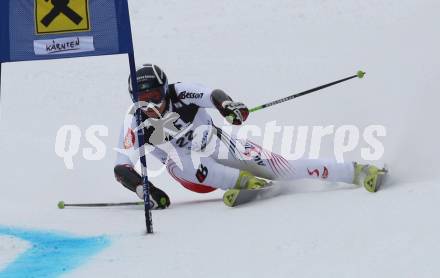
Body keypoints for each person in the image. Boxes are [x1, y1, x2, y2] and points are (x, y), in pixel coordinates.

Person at [114, 64, 387, 209]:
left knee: (281, 167)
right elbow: (121, 167)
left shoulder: (181, 92)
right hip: (190, 174)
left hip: (218, 144)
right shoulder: (133, 121)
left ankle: (357, 171)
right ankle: (243, 182)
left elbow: (212, 95)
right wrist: (144, 189)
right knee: (185, 159)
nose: (149, 106)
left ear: (165, 90)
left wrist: (229, 108)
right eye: (142, 100)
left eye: (154, 97)